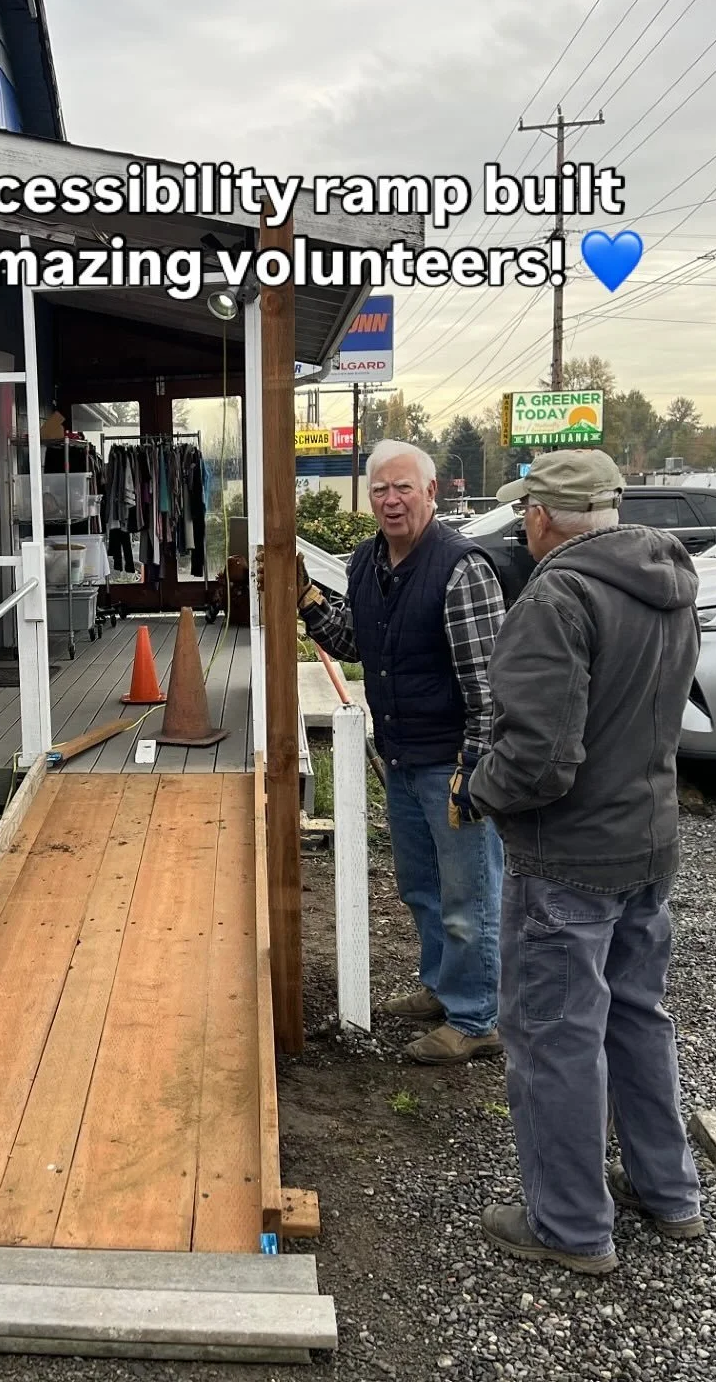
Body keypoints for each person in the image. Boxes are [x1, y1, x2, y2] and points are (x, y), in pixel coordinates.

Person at [469, 450, 704, 1275]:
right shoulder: (668, 583)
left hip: (568, 855)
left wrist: (478, 787)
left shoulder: (557, 596)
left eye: (524, 512)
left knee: (554, 1037)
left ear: (540, 516)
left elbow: (539, 761)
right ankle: (668, 1192)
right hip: (648, 841)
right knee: (636, 1016)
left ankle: (569, 1225)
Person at [298, 439, 506, 1064]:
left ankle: (477, 1018)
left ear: (431, 492)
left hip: (452, 763)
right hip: (403, 756)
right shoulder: (368, 562)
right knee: (423, 888)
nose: (391, 500)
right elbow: (355, 640)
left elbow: (488, 685)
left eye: (403, 488)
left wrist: (475, 769)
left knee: (469, 895)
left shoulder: (461, 568)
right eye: (380, 490)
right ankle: (443, 988)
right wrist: (306, 600)